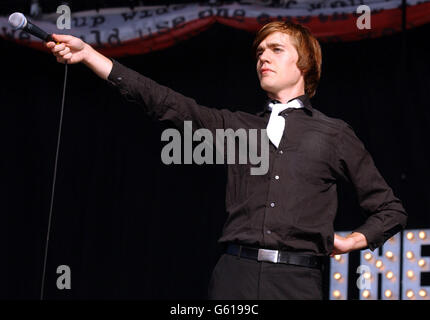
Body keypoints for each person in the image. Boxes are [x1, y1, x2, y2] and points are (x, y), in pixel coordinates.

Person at [46, 21, 407, 300]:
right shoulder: (237, 127)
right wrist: (91, 55)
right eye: (260, 51)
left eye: (276, 49)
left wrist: (351, 241)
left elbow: (390, 210)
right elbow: (165, 102)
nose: (263, 57)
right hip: (234, 276)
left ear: (305, 63)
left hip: (297, 282)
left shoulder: (335, 133)